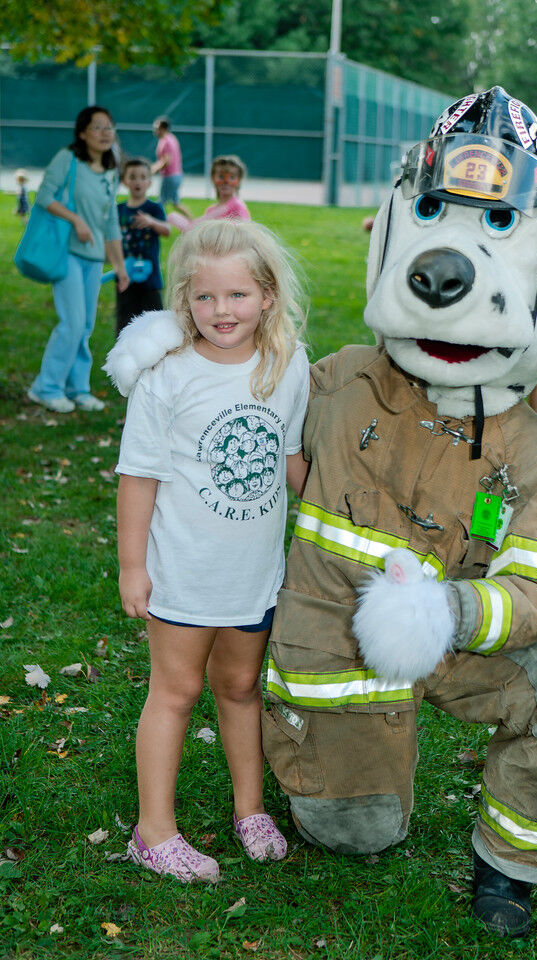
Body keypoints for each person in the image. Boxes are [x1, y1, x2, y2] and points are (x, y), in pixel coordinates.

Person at [110, 219, 310, 883]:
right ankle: (153, 831)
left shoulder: (288, 365)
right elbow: (138, 478)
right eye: (204, 298)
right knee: (175, 691)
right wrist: (133, 568)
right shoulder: (166, 378)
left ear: (269, 297)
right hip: (182, 575)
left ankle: (249, 809)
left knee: (241, 687)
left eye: (237, 296)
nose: (221, 311)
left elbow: (292, 463)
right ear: (183, 301)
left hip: (253, 575)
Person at [27, 106, 129, 414]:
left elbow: (110, 218)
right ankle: (45, 388)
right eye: (97, 127)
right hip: (66, 252)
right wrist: (76, 220)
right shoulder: (68, 160)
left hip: (94, 258)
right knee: (71, 324)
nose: (104, 133)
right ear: (82, 132)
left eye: (108, 127)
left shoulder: (111, 171)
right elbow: (44, 196)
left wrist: (120, 266)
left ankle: (77, 388)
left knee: (84, 325)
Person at [116, 157, 170, 335]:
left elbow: (167, 230)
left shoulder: (154, 208)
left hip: (150, 278)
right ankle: (124, 358)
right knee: (125, 323)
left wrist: (151, 222)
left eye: (142, 177)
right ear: (125, 181)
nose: (137, 181)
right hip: (125, 277)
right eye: (132, 177)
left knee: (154, 323)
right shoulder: (119, 209)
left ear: (149, 182)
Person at [167, 155, 250, 233]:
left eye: (232, 177)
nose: (226, 181)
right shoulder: (211, 210)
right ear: (213, 179)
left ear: (238, 181)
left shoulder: (237, 206)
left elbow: (244, 232)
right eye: (221, 177)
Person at [151, 117, 190, 219]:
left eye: (156, 128)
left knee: (161, 202)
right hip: (176, 175)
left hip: (170, 176)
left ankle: (158, 222)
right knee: (175, 203)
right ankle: (192, 220)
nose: (154, 130)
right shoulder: (171, 138)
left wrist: (153, 170)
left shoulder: (166, 141)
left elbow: (166, 161)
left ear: (163, 128)